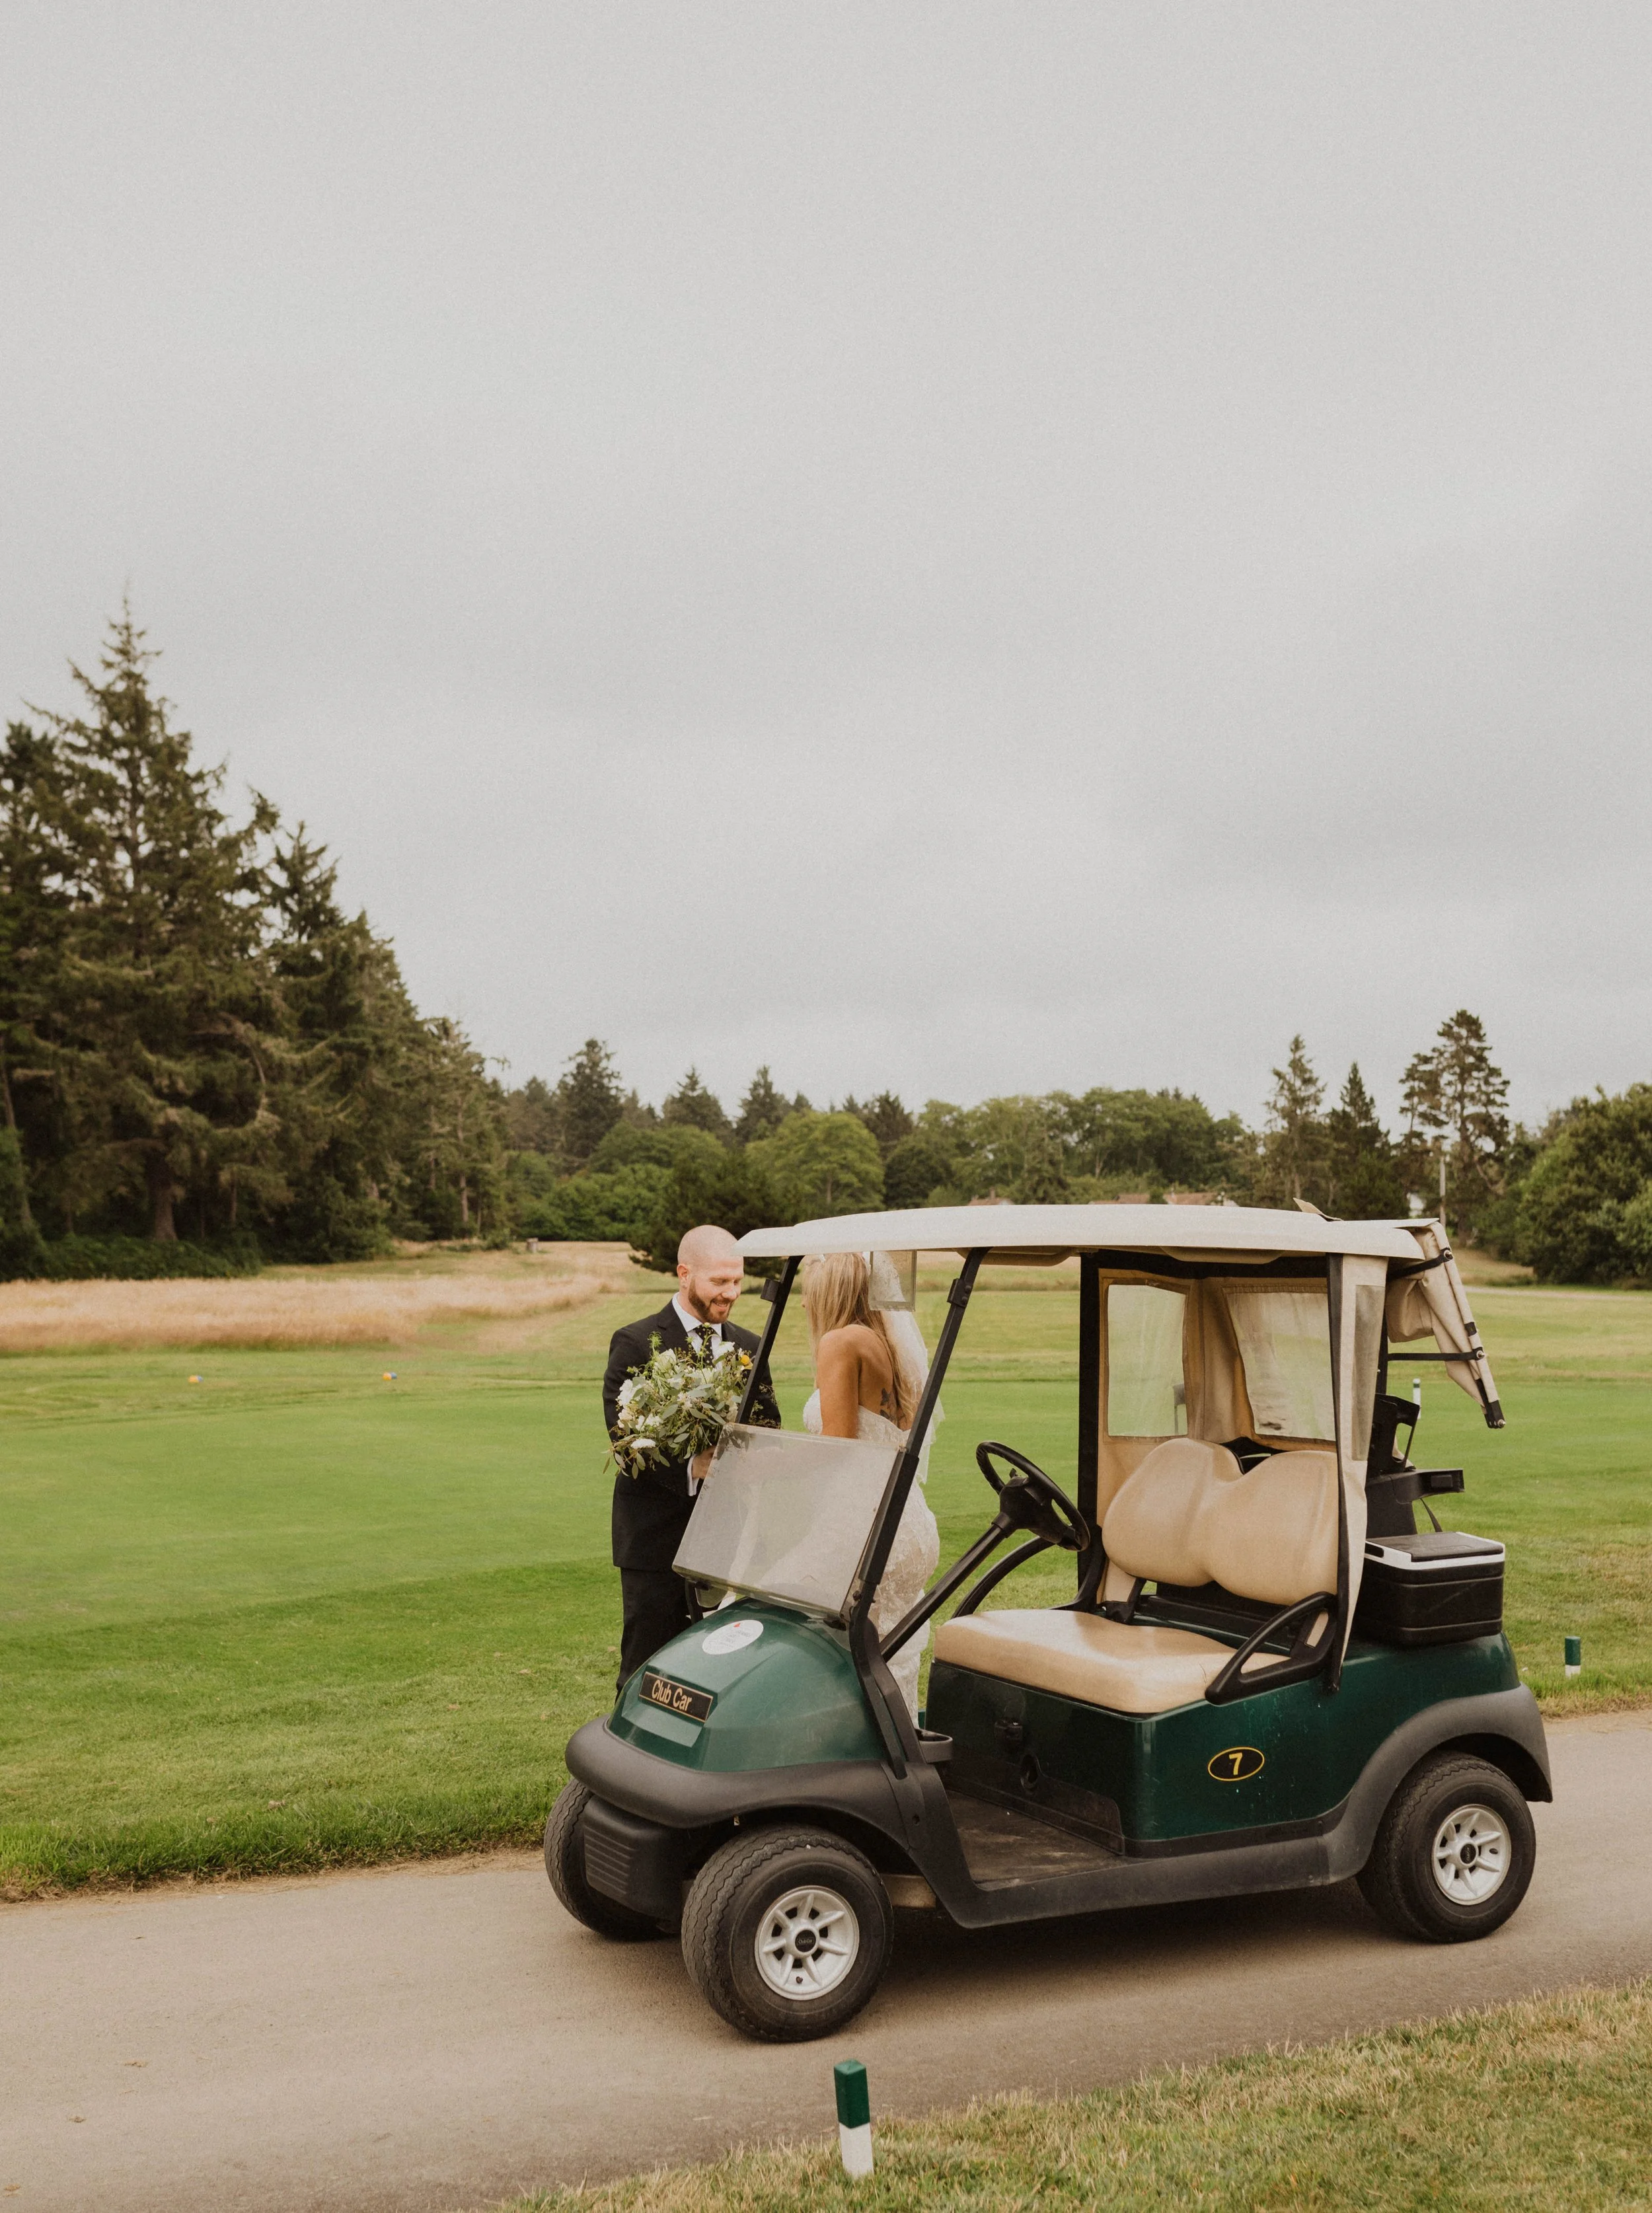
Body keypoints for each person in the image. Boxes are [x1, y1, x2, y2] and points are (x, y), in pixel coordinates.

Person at [603, 1223, 777, 1692]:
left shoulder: (750, 1347)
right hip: (654, 1541)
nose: (732, 1292)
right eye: (720, 1281)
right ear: (685, 1273)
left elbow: (769, 1426)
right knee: (644, 1668)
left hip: (727, 1540)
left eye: (738, 1281)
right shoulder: (636, 1342)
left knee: (714, 1671)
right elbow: (624, 1443)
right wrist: (692, 1467)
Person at [802, 1251, 941, 1719]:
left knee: (839, 1652)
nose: (804, 1305)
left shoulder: (840, 1342)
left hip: (864, 1523)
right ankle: (904, 1756)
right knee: (894, 1652)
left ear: (829, 1292)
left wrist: (773, 1463)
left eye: (808, 1292)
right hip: (910, 1521)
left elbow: (836, 1448)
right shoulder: (889, 1344)